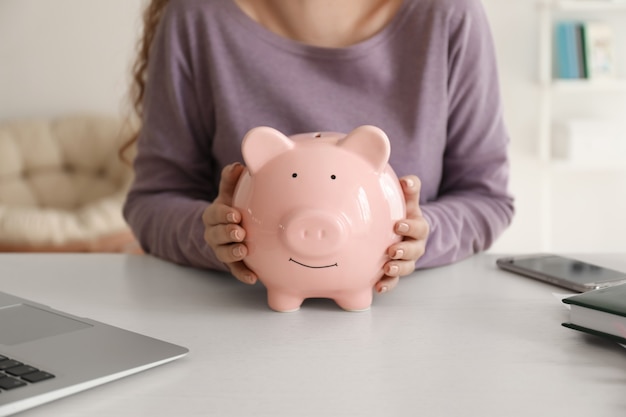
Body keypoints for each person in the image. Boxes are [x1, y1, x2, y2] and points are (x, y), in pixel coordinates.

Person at [122, 0, 515, 294]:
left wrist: (418, 238)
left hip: (412, 324)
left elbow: (487, 198)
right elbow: (153, 201)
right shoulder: (197, 16)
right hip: (238, 321)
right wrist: (214, 238)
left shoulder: (447, 14)